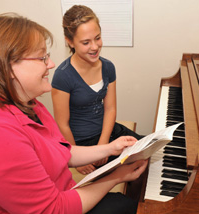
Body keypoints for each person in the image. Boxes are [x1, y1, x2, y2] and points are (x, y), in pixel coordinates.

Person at [0, 13, 148, 214]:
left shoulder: (29, 104)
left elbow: (62, 151)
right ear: (8, 66)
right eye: (42, 57)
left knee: (125, 203)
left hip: (61, 196)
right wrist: (116, 177)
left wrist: (110, 149)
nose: (51, 64)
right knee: (127, 209)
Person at [51, 5, 142, 175]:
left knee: (147, 149)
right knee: (132, 167)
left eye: (97, 38)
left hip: (106, 134)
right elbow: (62, 124)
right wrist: (76, 158)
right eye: (86, 42)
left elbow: (110, 108)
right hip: (82, 143)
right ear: (69, 41)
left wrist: (104, 144)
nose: (94, 47)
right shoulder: (63, 76)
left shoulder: (108, 67)